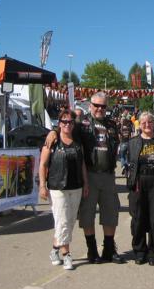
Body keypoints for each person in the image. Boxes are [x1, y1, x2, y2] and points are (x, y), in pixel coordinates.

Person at [46, 92, 124, 264]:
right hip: (89, 174)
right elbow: (65, 127)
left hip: (108, 175)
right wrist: (53, 131)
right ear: (90, 106)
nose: (100, 109)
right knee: (87, 214)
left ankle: (109, 250)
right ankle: (92, 250)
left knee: (110, 213)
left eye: (103, 106)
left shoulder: (112, 124)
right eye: (96, 105)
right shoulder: (82, 124)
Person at [39, 109, 88, 270]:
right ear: (59, 123)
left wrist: (86, 183)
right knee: (62, 221)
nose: (67, 124)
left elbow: (82, 164)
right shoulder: (52, 141)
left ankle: (54, 250)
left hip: (76, 186)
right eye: (64, 121)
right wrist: (42, 185)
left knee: (70, 221)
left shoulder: (77, 142)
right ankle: (66, 255)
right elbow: (43, 165)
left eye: (70, 122)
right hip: (57, 187)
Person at [126, 112, 154, 266]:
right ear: (139, 124)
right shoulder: (133, 142)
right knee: (138, 218)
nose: (146, 125)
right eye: (143, 122)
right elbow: (129, 163)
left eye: (149, 122)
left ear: (153, 123)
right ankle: (139, 251)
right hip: (138, 183)